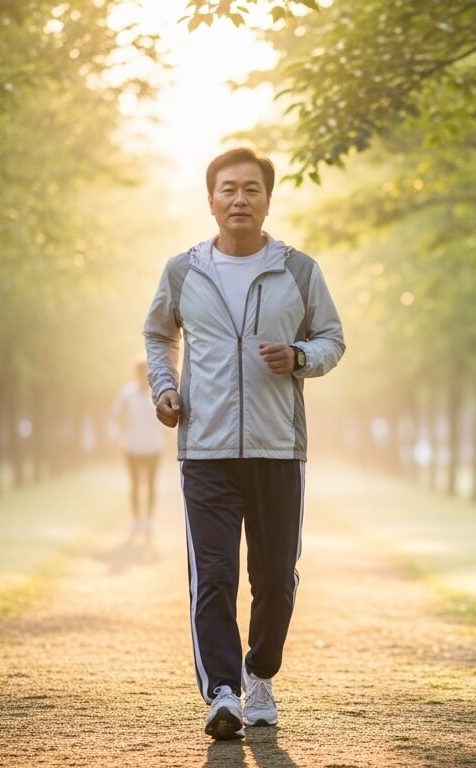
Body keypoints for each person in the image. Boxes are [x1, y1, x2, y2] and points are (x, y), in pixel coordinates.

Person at [143, 146, 345, 741]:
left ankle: (260, 675)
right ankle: (223, 693)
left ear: (267, 198)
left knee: (276, 579)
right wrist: (164, 388)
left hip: (277, 447)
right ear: (211, 200)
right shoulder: (183, 270)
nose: (239, 199)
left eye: (250, 188)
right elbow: (158, 335)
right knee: (213, 576)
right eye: (227, 189)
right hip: (204, 449)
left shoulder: (299, 269)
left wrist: (300, 357)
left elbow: (332, 337)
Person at [110, 361, 166, 537]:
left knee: (151, 484)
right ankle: (136, 521)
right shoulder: (127, 393)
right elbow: (117, 415)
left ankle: (148, 521)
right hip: (132, 446)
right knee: (135, 484)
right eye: (139, 372)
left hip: (154, 446)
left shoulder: (156, 392)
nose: (142, 375)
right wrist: (119, 436)